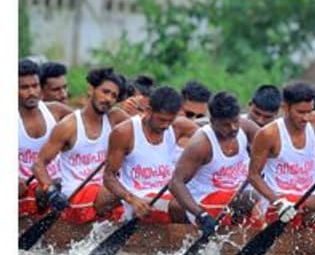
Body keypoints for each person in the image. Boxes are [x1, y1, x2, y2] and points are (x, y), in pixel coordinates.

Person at [247, 81, 315, 228]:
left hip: (307, 202)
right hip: (279, 205)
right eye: (300, 112)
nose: (306, 118)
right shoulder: (269, 134)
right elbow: (253, 175)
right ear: (285, 108)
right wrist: (278, 201)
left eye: (309, 112)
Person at [31, 67, 131, 223]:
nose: (109, 99)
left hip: (105, 192)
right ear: (91, 89)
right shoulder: (68, 126)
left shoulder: (116, 117)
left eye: (114, 96)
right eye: (105, 92)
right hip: (76, 195)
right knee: (128, 190)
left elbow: (141, 132)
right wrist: (50, 190)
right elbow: (38, 164)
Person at [97, 85, 193, 224]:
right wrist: (131, 198)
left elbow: (210, 136)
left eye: (170, 120)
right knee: (179, 206)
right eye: (161, 119)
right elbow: (109, 176)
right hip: (137, 199)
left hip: (166, 194)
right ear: (148, 111)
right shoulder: (124, 132)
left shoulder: (179, 126)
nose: (166, 125)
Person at [170, 91, 258, 231]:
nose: (233, 128)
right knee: (252, 197)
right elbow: (175, 183)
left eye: (235, 122)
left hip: (237, 196)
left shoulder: (246, 126)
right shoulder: (201, 144)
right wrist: (201, 215)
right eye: (226, 125)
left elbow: (272, 150)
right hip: (205, 200)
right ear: (212, 122)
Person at [18, 59, 73, 216]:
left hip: (57, 186)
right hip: (27, 190)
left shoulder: (56, 110)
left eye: (35, 86)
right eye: (24, 87)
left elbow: (90, 121)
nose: (32, 92)